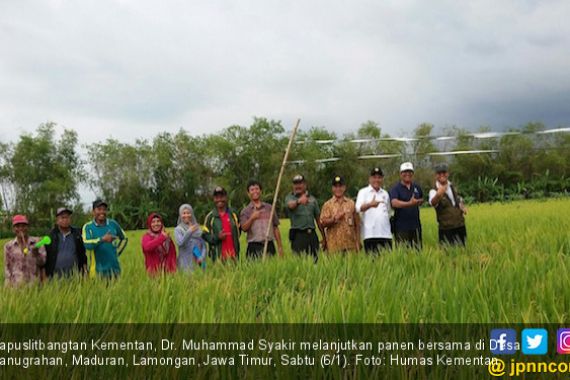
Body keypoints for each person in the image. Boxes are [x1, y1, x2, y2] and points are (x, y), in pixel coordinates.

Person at [82, 199, 128, 278]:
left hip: (115, 270)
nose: (102, 212)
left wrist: (116, 252)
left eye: (104, 209)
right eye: (99, 209)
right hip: (97, 272)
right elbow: (87, 244)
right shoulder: (88, 227)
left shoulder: (113, 224)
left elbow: (124, 238)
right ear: (93, 211)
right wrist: (102, 239)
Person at [284, 175, 326, 261]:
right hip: (298, 235)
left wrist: (324, 237)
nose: (298, 186)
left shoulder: (312, 199)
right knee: (299, 262)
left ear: (305, 185)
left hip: (312, 235)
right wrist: (299, 201)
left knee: (315, 261)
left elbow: (318, 220)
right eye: (295, 184)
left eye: (300, 183)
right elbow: (290, 206)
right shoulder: (290, 197)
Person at [240, 180, 284, 259]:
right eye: (252, 190)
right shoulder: (245, 211)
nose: (255, 191)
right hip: (254, 246)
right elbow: (244, 228)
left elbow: (275, 227)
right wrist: (252, 218)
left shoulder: (269, 208)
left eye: (257, 189)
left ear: (261, 191)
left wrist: (280, 247)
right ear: (248, 193)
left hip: (269, 245)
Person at [355, 167, 393, 254]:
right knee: (373, 264)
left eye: (379, 177)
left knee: (389, 263)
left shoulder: (385, 193)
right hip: (370, 235)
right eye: (374, 177)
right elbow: (357, 208)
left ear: (382, 179)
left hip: (385, 234)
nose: (377, 180)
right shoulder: (363, 192)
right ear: (370, 179)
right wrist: (370, 205)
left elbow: (388, 212)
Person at [429, 163, 468, 246]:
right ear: (436, 175)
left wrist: (462, 206)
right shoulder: (434, 191)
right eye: (439, 173)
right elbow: (433, 203)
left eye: (444, 172)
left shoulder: (452, 186)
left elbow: (458, 199)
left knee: (463, 252)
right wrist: (438, 195)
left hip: (460, 226)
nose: (442, 175)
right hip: (446, 229)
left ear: (448, 173)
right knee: (447, 255)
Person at [320, 176, 360, 253]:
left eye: (340, 186)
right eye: (336, 186)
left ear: (344, 187)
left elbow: (357, 224)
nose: (338, 189)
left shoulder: (351, 203)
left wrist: (358, 242)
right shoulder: (327, 205)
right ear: (332, 188)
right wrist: (334, 219)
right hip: (333, 247)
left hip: (350, 246)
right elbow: (322, 223)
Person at [4, 215, 47, 287]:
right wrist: (7, 288)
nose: (21, 229)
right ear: (13, 229)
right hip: (16, 288)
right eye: (17, 226)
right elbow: (8, 269)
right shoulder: (9, 246)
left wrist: (36, 253)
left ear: (28, 227)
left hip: (35, 287)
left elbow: (43, 263)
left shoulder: (37, 242)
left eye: (24, 226)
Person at [44, 207, 87, 278]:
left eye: (67, 217)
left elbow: (82, 254)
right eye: (62, 218)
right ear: (57, 220)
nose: (65, 220)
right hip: (54, 277)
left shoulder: (77, 234)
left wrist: (85, 270)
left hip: (75, 276)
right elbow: (46, 256)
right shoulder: (51, 235)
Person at [390, 162, 424, 249]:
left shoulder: (416, 187)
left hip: (416, 226)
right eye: (405, 172)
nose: (407, 174)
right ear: (401, 174)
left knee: (417, 252)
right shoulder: (395, 188)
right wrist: (409, 203)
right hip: (401, 227)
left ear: (412, 173)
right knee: (403, 253)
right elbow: (394, 202)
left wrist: (419, 201)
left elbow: (421, 199)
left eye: (410, 172)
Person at [203, 187, 240, 262]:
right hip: (218, 257)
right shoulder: (210, 217)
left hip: (234, 256)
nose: (219, 200)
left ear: (226, 198)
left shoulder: (234, 214)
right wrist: (217, 237)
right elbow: (205, 236)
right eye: (217, 197)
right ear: (214, 199)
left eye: (221, 197)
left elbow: (239, 231)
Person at [175, 204, 207, 270]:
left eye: (188, 213)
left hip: (199, 262)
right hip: (185, 264)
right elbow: (180, 243)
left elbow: (204, 246)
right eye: (184, 213)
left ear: (192, 214)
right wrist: (189, 231)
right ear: (180, 215)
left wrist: (202, 257)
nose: (186, 215)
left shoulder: (197, 229)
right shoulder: (178, 229)